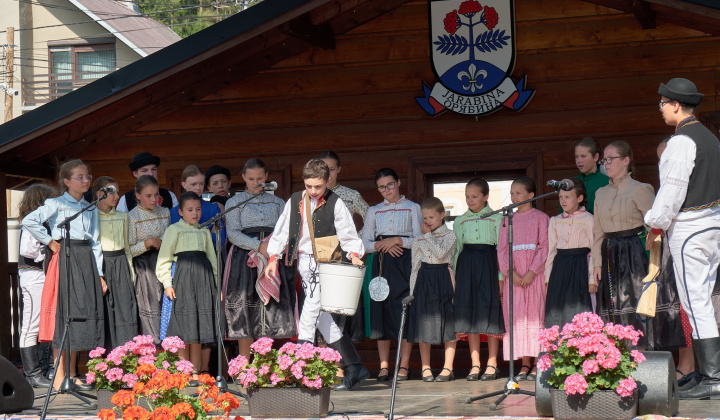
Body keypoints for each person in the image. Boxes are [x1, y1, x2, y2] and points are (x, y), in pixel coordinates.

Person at [645, 77, 720, 399]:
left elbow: (671, 192)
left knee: (696, 302)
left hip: (691, 228)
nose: (660, 109)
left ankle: (712, 377)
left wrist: (653, 221)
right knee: (700, 300)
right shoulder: (710, 138)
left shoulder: (682, 141)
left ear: (676, 105)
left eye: (663, 104)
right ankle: (705, 373)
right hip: (712, 225)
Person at [264, 159, 368, 391]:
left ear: (327, 181)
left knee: (309, 315)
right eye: (309, 186)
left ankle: (301, 373)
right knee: (323, 319)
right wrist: (273, 258)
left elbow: (348, 234)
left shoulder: (336, 202)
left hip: (328, 263)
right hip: (304, 262)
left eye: (318, 186)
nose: (313, 191)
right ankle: (355, 366)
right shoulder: (294, 200)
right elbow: (280, 231)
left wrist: (354, 254)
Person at [593, 140, 684, 351]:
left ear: (626, 160)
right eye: (604, 159)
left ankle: (641, 354)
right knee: (612, 304)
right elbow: (598, 231)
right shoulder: (600, 193)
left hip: (635, 252)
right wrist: (596, 264)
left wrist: (655, 263)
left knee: (634, 301)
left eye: (611, 158)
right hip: (609, 252)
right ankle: (615, 357)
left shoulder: (641, 189)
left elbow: (656, 226)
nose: (606, 163)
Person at [23, 159, 104, 391]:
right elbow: (30, 220)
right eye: (80, 177)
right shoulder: (55, 203)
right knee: (64, 314)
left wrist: (99, 274)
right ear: (66, 181)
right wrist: (49, 241)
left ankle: (72, 374)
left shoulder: (90, 206)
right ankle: (59, 377)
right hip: (66, 255)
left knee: (80, 314)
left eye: (88, 176)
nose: (86, 180)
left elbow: (95, 242)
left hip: (86, 257)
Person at [224, 159, 295, 363]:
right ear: (244, 177)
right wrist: (258, 246)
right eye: (251, 178)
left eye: (260, 178)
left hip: (273, 257)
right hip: (245, 258)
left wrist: (271, 249)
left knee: (269, 308)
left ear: (266, 177)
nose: (256, 182)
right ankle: (245, 363)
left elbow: (284, 231)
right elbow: (234, 234)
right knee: (246, 308)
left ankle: (266, 362)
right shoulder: (233, 203)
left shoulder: (278, 203)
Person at [361, 168, 422, 381]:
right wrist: (382, 244)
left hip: (405, 263)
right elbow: (365, 243)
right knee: (382, 311)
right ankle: (384, 366)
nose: (387, 190)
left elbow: (420, 240)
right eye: (381, 187)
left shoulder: (413, 208)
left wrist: (397, 241)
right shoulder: (374, 211)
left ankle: (403, 366)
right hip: (381, 264)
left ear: (398, 183)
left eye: (390, 184)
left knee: (404, 311)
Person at [157, 192, 218, 385]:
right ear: (181, 212)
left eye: (198, 209)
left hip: (202, 279)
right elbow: (164, 258)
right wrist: (167, 283)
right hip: (182, 278)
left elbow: (212, 259)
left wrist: (216, 284)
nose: (195, 213)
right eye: (190, 210)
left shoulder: (205, 231)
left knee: (198, 324)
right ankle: (183, 370)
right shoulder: (173, 230)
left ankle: (194, 370)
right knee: (184, 323)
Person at [453, 178, 504, 381]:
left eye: (474, 196)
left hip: (489, 263)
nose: (470, 200)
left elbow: (501, 249)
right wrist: (455, 278)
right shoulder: (459, 220)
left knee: (490, 309)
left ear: (486, 197)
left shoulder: (497, 219)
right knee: (470, 312)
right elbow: (457, 251)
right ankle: (476, 364)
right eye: (467, 196)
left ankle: (492, 363)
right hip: (466, 266)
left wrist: (501, 276)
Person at [498, 176, 548, 381]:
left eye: (518, 192)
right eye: (512, 193)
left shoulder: (541, 218)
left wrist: (532, 271)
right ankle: (524, 363)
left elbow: (545, 246)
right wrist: (511, 272)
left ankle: (538, 362)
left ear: (531, 195)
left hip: (534, 276)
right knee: (517, 317)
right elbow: (502, 249)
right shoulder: (507, 220)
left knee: (535, 316)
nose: (514, 196)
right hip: (515, 277)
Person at [318, 150, 370, 344]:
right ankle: (321, 362)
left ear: (339, 169)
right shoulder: (312, 193)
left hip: (344, 257)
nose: (328, 174)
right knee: (320, 307)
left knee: (341, 309)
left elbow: (369, 218)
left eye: (332, 169)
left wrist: (355, 242)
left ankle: (341, 364)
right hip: (319, 256)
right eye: (324, 169)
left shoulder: (351, 195)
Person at [406, 197, 457, 382]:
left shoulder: (450, 235)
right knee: (424, 324)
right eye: (424, 218)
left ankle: (448, 367)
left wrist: (427, 236)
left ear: (442, 215)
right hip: (424, 280)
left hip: (443, 277)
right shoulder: (418, 239)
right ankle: (425, 367)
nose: (427, 221)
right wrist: (412, 292)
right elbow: (415, 266)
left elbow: (441, 254)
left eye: (431, 217)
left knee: (448, 321)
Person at [17, 183, 56, 388]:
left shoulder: (43, 224)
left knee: (46, 320)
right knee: (31, 324)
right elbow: (28, 251)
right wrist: (46, 247)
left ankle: (44, 367)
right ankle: (32, 374)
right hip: (32, 276)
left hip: (42, 276)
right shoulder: (31, 225)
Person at [94, 176, 138, 349]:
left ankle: (126, 353)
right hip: (101, 263)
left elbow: (127, 248)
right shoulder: (91, 216)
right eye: (112, 191)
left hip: (120, 263)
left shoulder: (123, 217)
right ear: (100, 193)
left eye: (118, 192)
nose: (117, 196)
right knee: (103, 309)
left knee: (124, 308)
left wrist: (131, 275)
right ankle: (104, 356)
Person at [545, 179, 595, 328]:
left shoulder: (589, 219)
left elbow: (594, 250)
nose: (563, 201)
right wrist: (547, 277)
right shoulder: (555, 220)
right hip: (560, 266)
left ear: (579, 198)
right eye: (561, 197)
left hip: (580, 265)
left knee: (578, 307)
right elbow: (551, 250)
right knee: (558, 307)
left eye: (567, 197)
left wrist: (592, 278)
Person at [128, 175, 171, 345]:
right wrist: (148, 243)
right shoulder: (131, 217)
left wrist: (163, 242)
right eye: (148, 196)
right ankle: (153, 347)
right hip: (144, 266)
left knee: (166, 303)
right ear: (138, 195)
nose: (154, 200)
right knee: (149, 304)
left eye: (156, 195)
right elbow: (129, 249)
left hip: (164, 262)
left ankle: (170, 346)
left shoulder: (165, 212)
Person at [560, 137, 609, 214]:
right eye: (576, 157)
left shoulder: (607, 182)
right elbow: (562, 215)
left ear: (596, 157)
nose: (579, 161)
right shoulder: (571, 183)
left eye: (583, 156)